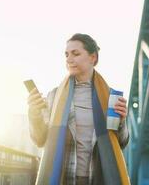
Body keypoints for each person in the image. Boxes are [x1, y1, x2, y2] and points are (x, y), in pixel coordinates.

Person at [27, 33, 130, 185]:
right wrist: (34, 114)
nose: (69, 59)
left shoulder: (110, 97)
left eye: (75, 54)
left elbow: (122, 142)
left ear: (93, 57)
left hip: (99, 178)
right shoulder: (55, 95)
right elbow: (39, 139)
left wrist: (122, 121)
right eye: (66, 54)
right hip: (64, 177)